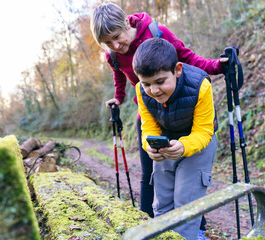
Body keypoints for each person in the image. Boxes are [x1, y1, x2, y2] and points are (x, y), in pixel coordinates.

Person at [90, 2, 226, 231]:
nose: (115, 45)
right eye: (107, 43)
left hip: (183, 107)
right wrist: (118, 98)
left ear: (125, 22)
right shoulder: (114, 57)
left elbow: (187, 59)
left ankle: (195, 227)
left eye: (116, 37)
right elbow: (120, 77)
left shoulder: (156, 33)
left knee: (188, 182)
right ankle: (149, 224)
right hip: (149, 110)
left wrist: (215, 67)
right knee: (151, 174)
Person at [133, 37, 217, 240]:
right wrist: (149, 145)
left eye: (160, 82)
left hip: (199, 144)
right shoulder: (142, 92)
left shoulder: (201, 86)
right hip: (166, 143)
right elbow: (148, 126)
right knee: (161, 203)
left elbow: (204, 131)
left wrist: (184, 146)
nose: (154, 90)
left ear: (177, 70)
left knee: (186, 202)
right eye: (146, 84)